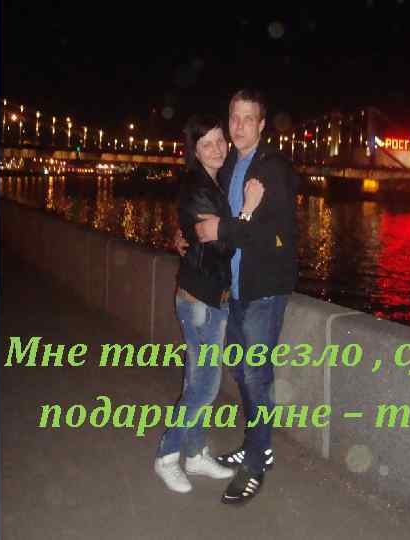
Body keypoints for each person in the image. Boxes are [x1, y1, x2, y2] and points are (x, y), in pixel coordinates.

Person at [193, 89, 300, 504]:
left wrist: (222, 229)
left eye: (247, 119)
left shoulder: (273, 169)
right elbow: (218, 219)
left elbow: (271, 235)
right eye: (233, 117)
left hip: (263, 293)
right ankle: (259, 445)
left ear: (262, 124)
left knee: (256, 377)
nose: (237, 126)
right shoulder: (232, 166)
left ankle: (255, 463)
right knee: (241, 372)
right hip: (236, 290)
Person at [154, 114, 265, 493]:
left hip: (210, 294)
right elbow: (221, 245)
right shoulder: (197, 186)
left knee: (197, 379)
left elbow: (208, 234)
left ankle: (196, 452)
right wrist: (247, 210)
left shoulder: (216, 180)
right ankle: (167, 454)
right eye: (207, 144)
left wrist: (194, 233)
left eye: (220, 140)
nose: (217, 148)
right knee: (204, 386)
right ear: (195, 152)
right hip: (200, 298)